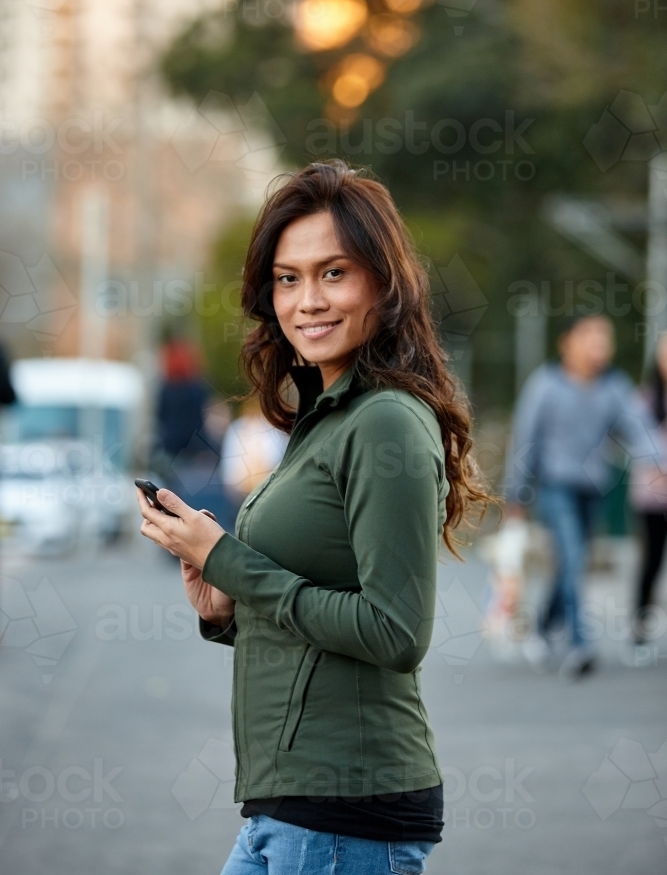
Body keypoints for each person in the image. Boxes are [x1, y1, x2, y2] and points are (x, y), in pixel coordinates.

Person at [136, 161, 488, 875]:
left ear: (382, 285)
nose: (307, 301)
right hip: (292, 806)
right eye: (288, 278)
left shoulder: (385, 421)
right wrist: (224, 608)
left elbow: (393, 632)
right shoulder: (323, 418)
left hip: (343, 810)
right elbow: (314, 613)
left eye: (334, 273)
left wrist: (232, 560)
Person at [504, 314, 661, 678]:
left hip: (594, 490)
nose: (599, 345)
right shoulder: (545, 385)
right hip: (555, 488)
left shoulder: (615, 388)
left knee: (571, 566)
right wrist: (516, 496)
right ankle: (580, 644)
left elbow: (640, 431)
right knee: (573, 558)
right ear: (567, 342)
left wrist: (658, 461)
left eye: (604, 338)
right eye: (590, 336)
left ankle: (542, 627)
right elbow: (525, 442)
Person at [629, 331, 667, 643]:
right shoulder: (645, 399)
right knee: (652, 560)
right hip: (652, 495)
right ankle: (640, 621)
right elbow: (636, 440)